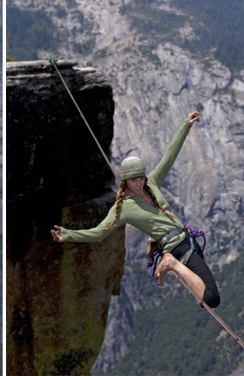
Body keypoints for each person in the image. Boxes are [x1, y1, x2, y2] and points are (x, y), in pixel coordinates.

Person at [51, 111, 220, 308]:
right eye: (133, 180)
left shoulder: (152, 182)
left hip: (186, 241)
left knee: (206, 293)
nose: (139, 184)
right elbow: (98, 233)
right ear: (125, 181)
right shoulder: (122, 208)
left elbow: (169, 156)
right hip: (178, 248)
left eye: (140, 178)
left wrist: (186, 125)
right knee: (211, 299)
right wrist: (68, 235)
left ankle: (168, 259)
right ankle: (171, 263)